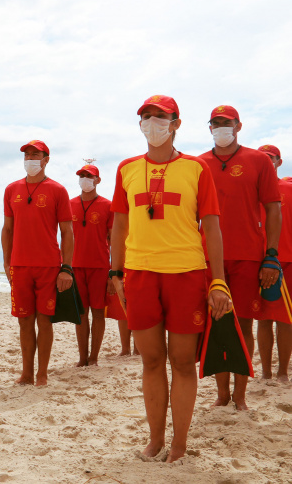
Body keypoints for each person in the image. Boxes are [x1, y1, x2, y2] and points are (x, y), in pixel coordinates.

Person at [110, 95, 229, 463]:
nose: (151, 123)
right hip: (141, 273)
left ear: (176, 123)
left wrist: (219, 282)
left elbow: (211, 226)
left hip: (186, 273)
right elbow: (119, 223)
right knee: (150, 360)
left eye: (160, 117)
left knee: (180, 362)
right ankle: (156, 438)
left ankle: (179, 443)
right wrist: (116, 271)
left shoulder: (196, 169)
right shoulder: (127, 169)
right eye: (145, 117)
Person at [198, 105, 281, 411]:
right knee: (216, 324)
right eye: (215, 123)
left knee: (243, 324)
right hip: (208, 257)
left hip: (248, 254)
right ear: (209, 128)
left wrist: (271, 254)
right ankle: (222, 394)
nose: (221, 127)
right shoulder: (198, 163)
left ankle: (241, 396)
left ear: (238, 125)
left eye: (227, 122)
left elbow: (273, 208)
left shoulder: (259, 160)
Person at [1, 140, 74, 386]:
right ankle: (27, 373)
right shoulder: (12, 189)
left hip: (48, 265)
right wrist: (6, 261)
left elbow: (67, 232)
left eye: (36, 154)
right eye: (27, 154)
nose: (30, 158)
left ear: (46, 159)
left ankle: (42, 373)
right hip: (20, 265)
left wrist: (66, 267)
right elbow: (7, 229)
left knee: (44, 320)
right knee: (24, 320)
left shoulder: (58, 190)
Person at [70, 165, 115, 366]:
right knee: (80, 314)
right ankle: (82, 358)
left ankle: (94, 357)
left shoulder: (107, 205)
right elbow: (64, 237)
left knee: (97, 312)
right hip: (75, 266)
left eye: (89, 176)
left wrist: (113, 273)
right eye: (82, 176)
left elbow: (114, 240)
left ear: (98, 180)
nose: (84, 179)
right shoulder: (69, 204)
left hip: (99, 266)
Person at [258, 144, 292, 382]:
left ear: (279, 162)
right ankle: (266, 372)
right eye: (262, 158)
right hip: (256, 261)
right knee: (262, 319)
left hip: (287, 261)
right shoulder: (250, 190)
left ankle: (282, 372)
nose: (266, 161)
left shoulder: (288, 188)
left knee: (285, 319)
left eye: (270, 158)